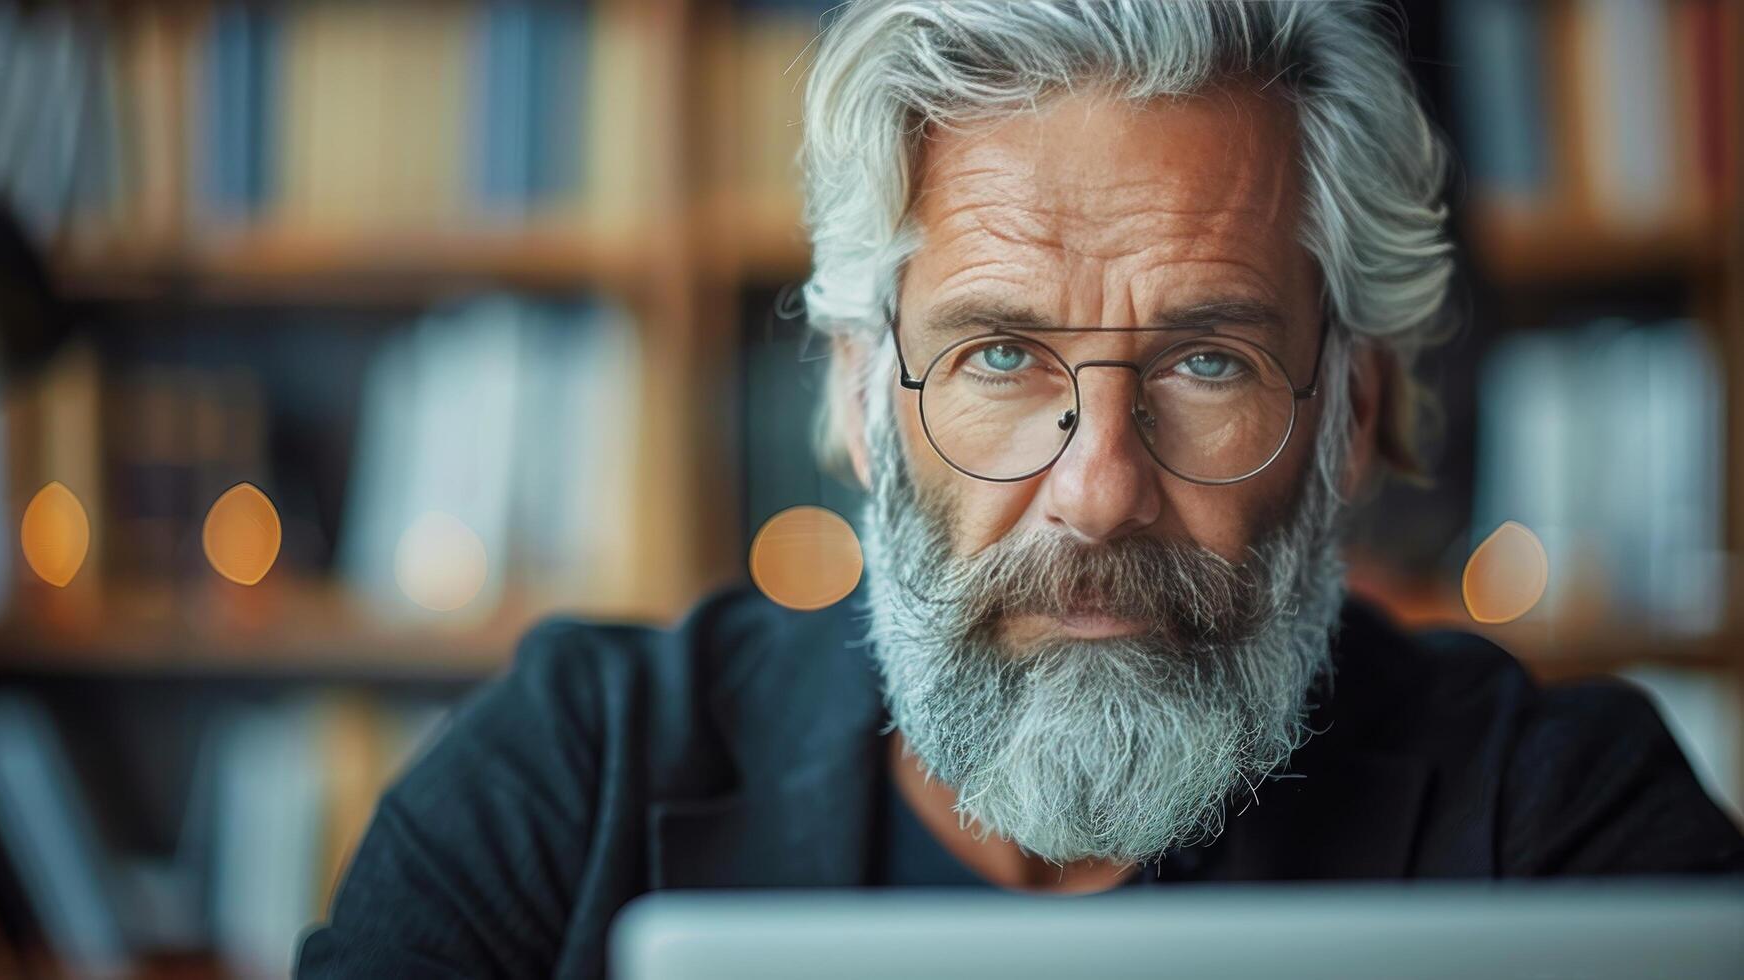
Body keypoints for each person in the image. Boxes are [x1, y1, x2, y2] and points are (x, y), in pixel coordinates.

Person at [298, 2, 1744, 977]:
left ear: (1349, 412)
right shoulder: (568, 785)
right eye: (999, 354)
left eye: (1206, 361)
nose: (1098, 491)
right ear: (865, 400)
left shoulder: (1561, 832)